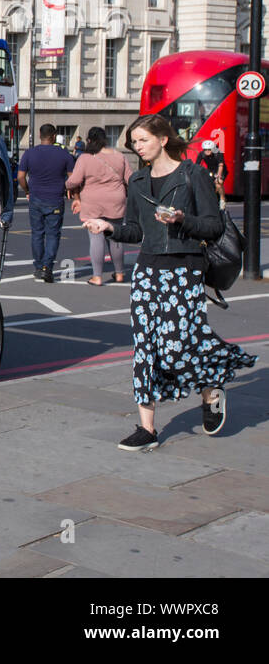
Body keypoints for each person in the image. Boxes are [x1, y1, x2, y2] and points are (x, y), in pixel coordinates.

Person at [84, 115, 257, 451]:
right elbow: (135, 230)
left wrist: (182, 219)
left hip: (184, 268)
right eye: (134, 142)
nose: (138, 147)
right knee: (145, 347)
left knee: (180, 344)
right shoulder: (137, 181)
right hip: (147, 270)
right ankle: (147, 429)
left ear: (163, 139)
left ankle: (212, 384)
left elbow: (213, 227)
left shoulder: (193, 175)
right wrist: (109, 227)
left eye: (143, 140)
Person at [65, 126, 130, 285]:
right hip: (116, 199)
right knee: (116, 237)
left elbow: (74, 180)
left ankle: (97, 276)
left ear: (89, 141)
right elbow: (130, 178)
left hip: (93, 202)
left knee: (96, 238)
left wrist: (67, 185)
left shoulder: (86, 158)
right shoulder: (119, 156)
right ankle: (120, 273)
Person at [18, 124, 76, 282]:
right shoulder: (64, 154)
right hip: (55, 198)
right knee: (53, 234)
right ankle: (47, 267)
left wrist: (27, 191)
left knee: (37, 233)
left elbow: (21, 176)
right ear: (54, 136)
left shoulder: (30, 153)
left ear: (39, 134)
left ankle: (38, 267)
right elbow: (73, 178)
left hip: (36, 197)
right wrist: (72, 192)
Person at [196, 139, 226, 209]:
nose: (207, 151)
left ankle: (222, 199)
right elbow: (197, 165)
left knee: (218, 183)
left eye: (209, 149)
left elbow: (221, 165)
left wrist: (219, 175)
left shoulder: (218, 153)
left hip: (220, 169)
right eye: (205, 149)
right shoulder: (202, 154)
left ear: (212, 149)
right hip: (211, 170)